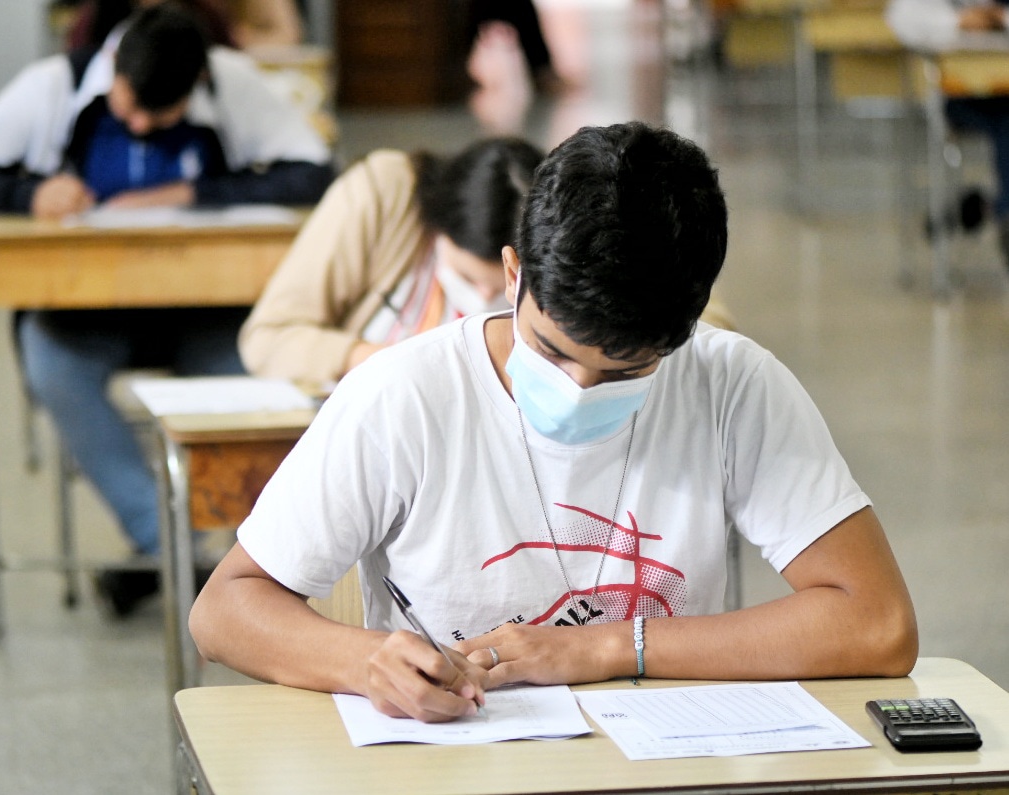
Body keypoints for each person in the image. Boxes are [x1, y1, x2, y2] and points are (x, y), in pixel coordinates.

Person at [189, 123, 918, 723]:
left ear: (684, 330)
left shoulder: (731, 382)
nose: (576, 392)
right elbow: (223, 610)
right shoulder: (402, 395)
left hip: (668, 759)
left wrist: (606, 648)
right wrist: (362, 660)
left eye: (624, 371)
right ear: (512, 275)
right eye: (551, 350)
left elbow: (876, 623)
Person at [0, 4, 333, 617]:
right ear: (113, 65)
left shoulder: (229, 80)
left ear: (196, 85)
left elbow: (314, 175)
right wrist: (29, 194)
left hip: (208, 314)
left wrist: (194, 193)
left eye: (159, 114)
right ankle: (176, 549)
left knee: (270, 386)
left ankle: (242, 559)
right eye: (129, 107)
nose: (141, 125)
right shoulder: (53, 86)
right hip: (82, 316)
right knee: (53, 369)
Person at [239, 138, 545, 385]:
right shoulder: (384, 194)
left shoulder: (557, 257)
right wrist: (387, 363)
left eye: (507, 288)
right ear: (441, 224)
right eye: (467, 278)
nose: (483, 298)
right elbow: (267, 340)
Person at [888, 0, 1009, 268]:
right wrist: (958, 22)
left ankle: (989, 207)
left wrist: (998, 19)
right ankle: (997, 209)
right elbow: (901, 21)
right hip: (957, 97)